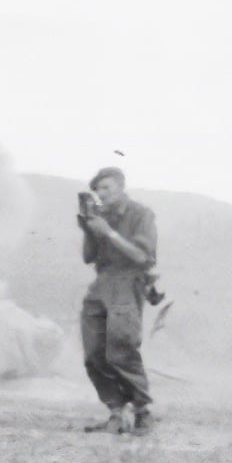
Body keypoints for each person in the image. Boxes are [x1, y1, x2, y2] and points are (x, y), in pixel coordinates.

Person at [77, 167, 158, 435]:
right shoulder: (101, 216)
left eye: (106, 188)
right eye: (97, 190)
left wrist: (109, 233)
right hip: (102, 282)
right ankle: (115, 413)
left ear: (121, 186)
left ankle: (142, 413)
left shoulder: (140, 215)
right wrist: (90, 230)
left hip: (128, 281)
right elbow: (88, 257)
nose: (100, 194)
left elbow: (142, 257)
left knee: (121, 348)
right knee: (93, 354)